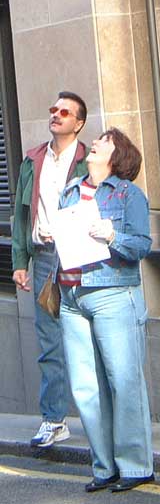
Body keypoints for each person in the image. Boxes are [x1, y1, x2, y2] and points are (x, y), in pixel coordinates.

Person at [57, 128, 153, 493]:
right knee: (86, 388)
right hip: (71, 297)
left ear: (118, 155)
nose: (95, 143)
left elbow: (142, 245)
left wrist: (111, 236)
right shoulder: (70, 190)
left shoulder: (129, 194)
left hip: (112, 293)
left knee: (123, 381)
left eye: (104, 140)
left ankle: (135, 465)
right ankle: (104, 467)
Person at [11, 91, 88, 448]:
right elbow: (22, 215)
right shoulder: (33, 160)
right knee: (49, 344)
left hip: (80, 258)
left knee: (91, 338)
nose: (56, 115)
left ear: (78, 123)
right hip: (43, 259)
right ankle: (54, 420)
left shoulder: (89, 161)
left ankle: (105, 417)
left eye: (64, 112)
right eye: (53, 109)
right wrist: (20, 262)